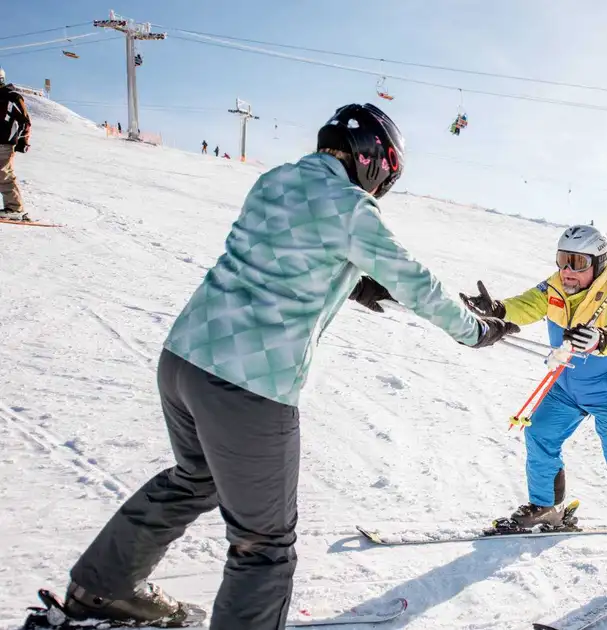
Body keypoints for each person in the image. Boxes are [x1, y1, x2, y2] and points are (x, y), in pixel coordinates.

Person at [48, 104, 519, 630]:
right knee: (264, 542)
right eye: (388, 172)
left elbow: (282, 251)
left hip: (183, 359)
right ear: (375, 160)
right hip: (248, 384)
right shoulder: (352, 207)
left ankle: (102, 587)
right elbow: (417, 281)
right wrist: (474, 330)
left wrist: (352, 281)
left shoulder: (274, 182)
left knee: (194, 478)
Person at [460, 225, 607, 587]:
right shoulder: (557, 286)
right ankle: (548, 508)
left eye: (577, 262)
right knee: (540, 434)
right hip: (568, 384)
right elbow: (528, 303)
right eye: (562, 259)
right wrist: (498, 309)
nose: (567, 270)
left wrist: (601, 338)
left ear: (599, 262)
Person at [0, 67, 31, 222]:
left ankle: (14, 209)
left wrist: (23, 141)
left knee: (3, 173)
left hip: (5, 142)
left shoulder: (11, 97)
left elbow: (25, 121)